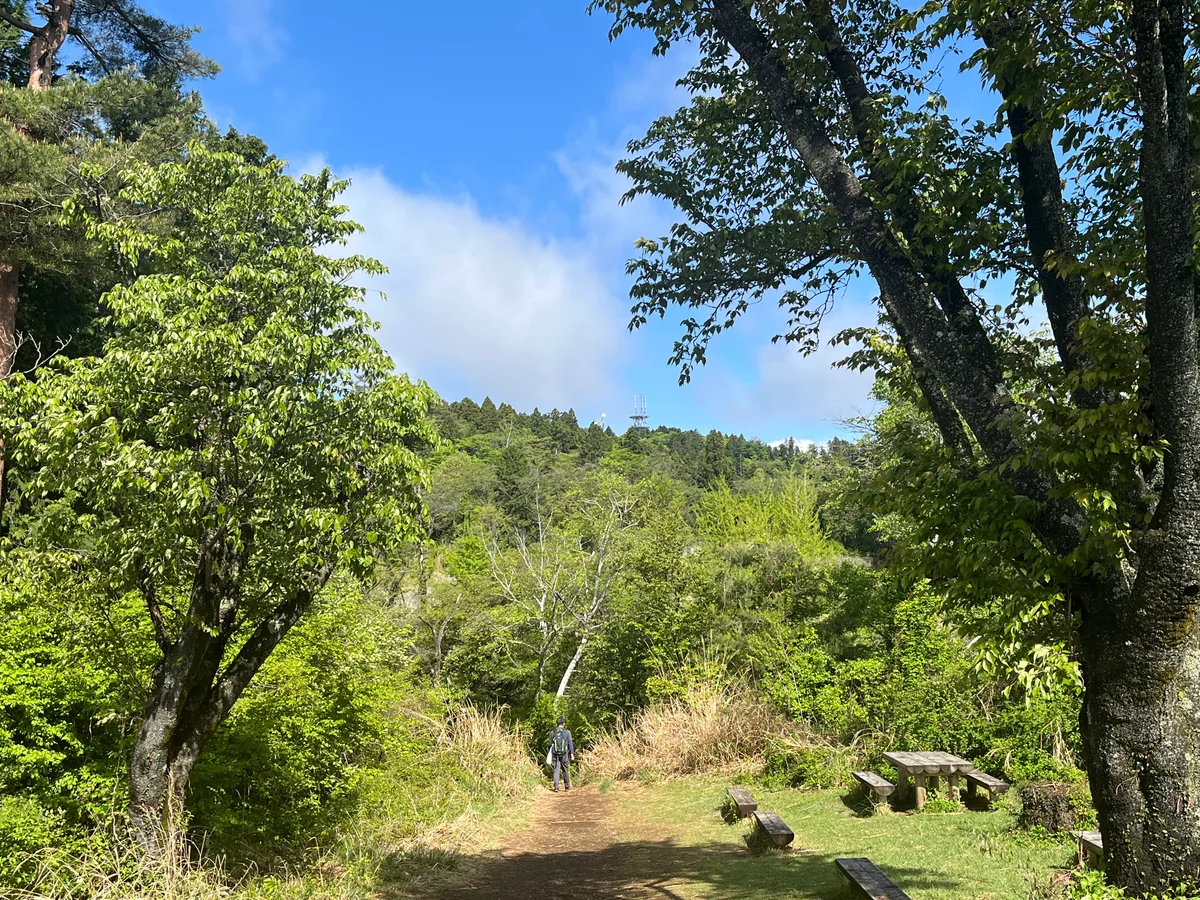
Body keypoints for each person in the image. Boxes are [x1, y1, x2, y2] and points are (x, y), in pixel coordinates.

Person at [547, 715, 575, 792]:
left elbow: (549, 744)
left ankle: (556, 787)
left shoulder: (552, 732)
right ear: (563, 724)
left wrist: (551, 752)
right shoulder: (567, 732)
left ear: (556, 724)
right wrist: (572, 754)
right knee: (565, 770)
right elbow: (570, 743)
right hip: (564, 754)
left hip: (555, 754)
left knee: (556, 770)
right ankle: (567, 786)